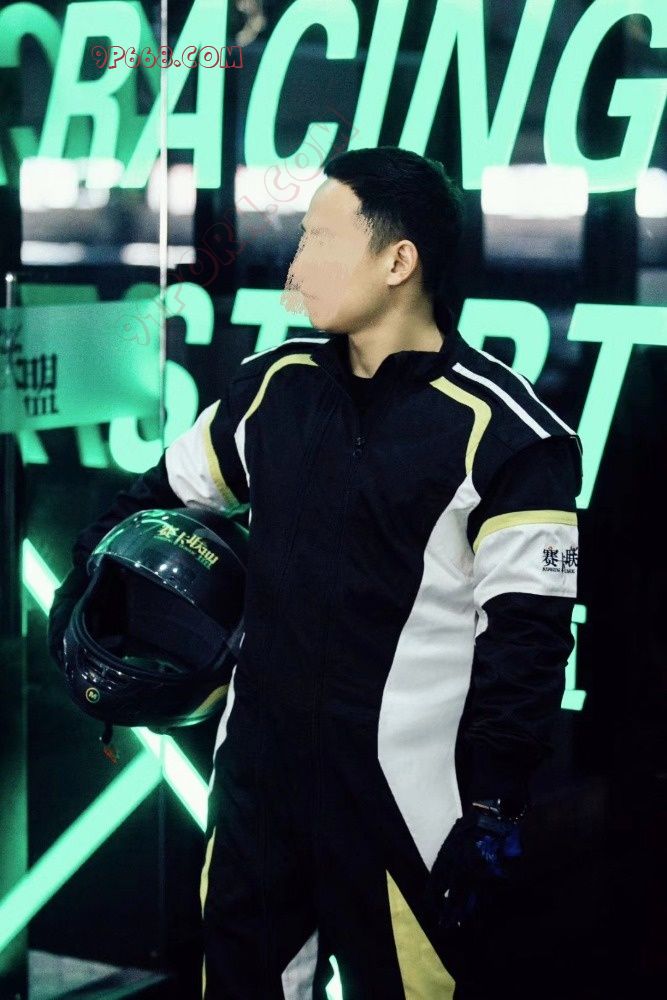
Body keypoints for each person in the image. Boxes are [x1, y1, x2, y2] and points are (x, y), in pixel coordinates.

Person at [49, 146, 582, 999]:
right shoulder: (273, 389)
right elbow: (153, 500)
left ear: (397, 262)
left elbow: (526, 645)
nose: (295, 268)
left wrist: (492, 807)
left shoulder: (513, 437)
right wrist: (85, 591)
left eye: (319, 240)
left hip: (405, 814)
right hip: (257, 794)